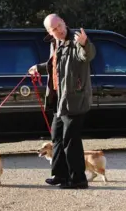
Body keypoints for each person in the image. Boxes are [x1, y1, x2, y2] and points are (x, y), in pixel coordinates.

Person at [29, 13, 96, 189]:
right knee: (56, 136)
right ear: (49, 32)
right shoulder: (55, 43)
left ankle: (78, 179)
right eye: (53, 29)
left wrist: (85, 44)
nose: (58, 30)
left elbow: (87, 55)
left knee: (70, 139)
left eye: (59, 26)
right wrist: (38, 67)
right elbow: (55, 65)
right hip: (59, 99)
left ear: (64, 23)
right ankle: (60, 175)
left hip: (74, 99)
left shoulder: (76, 40)